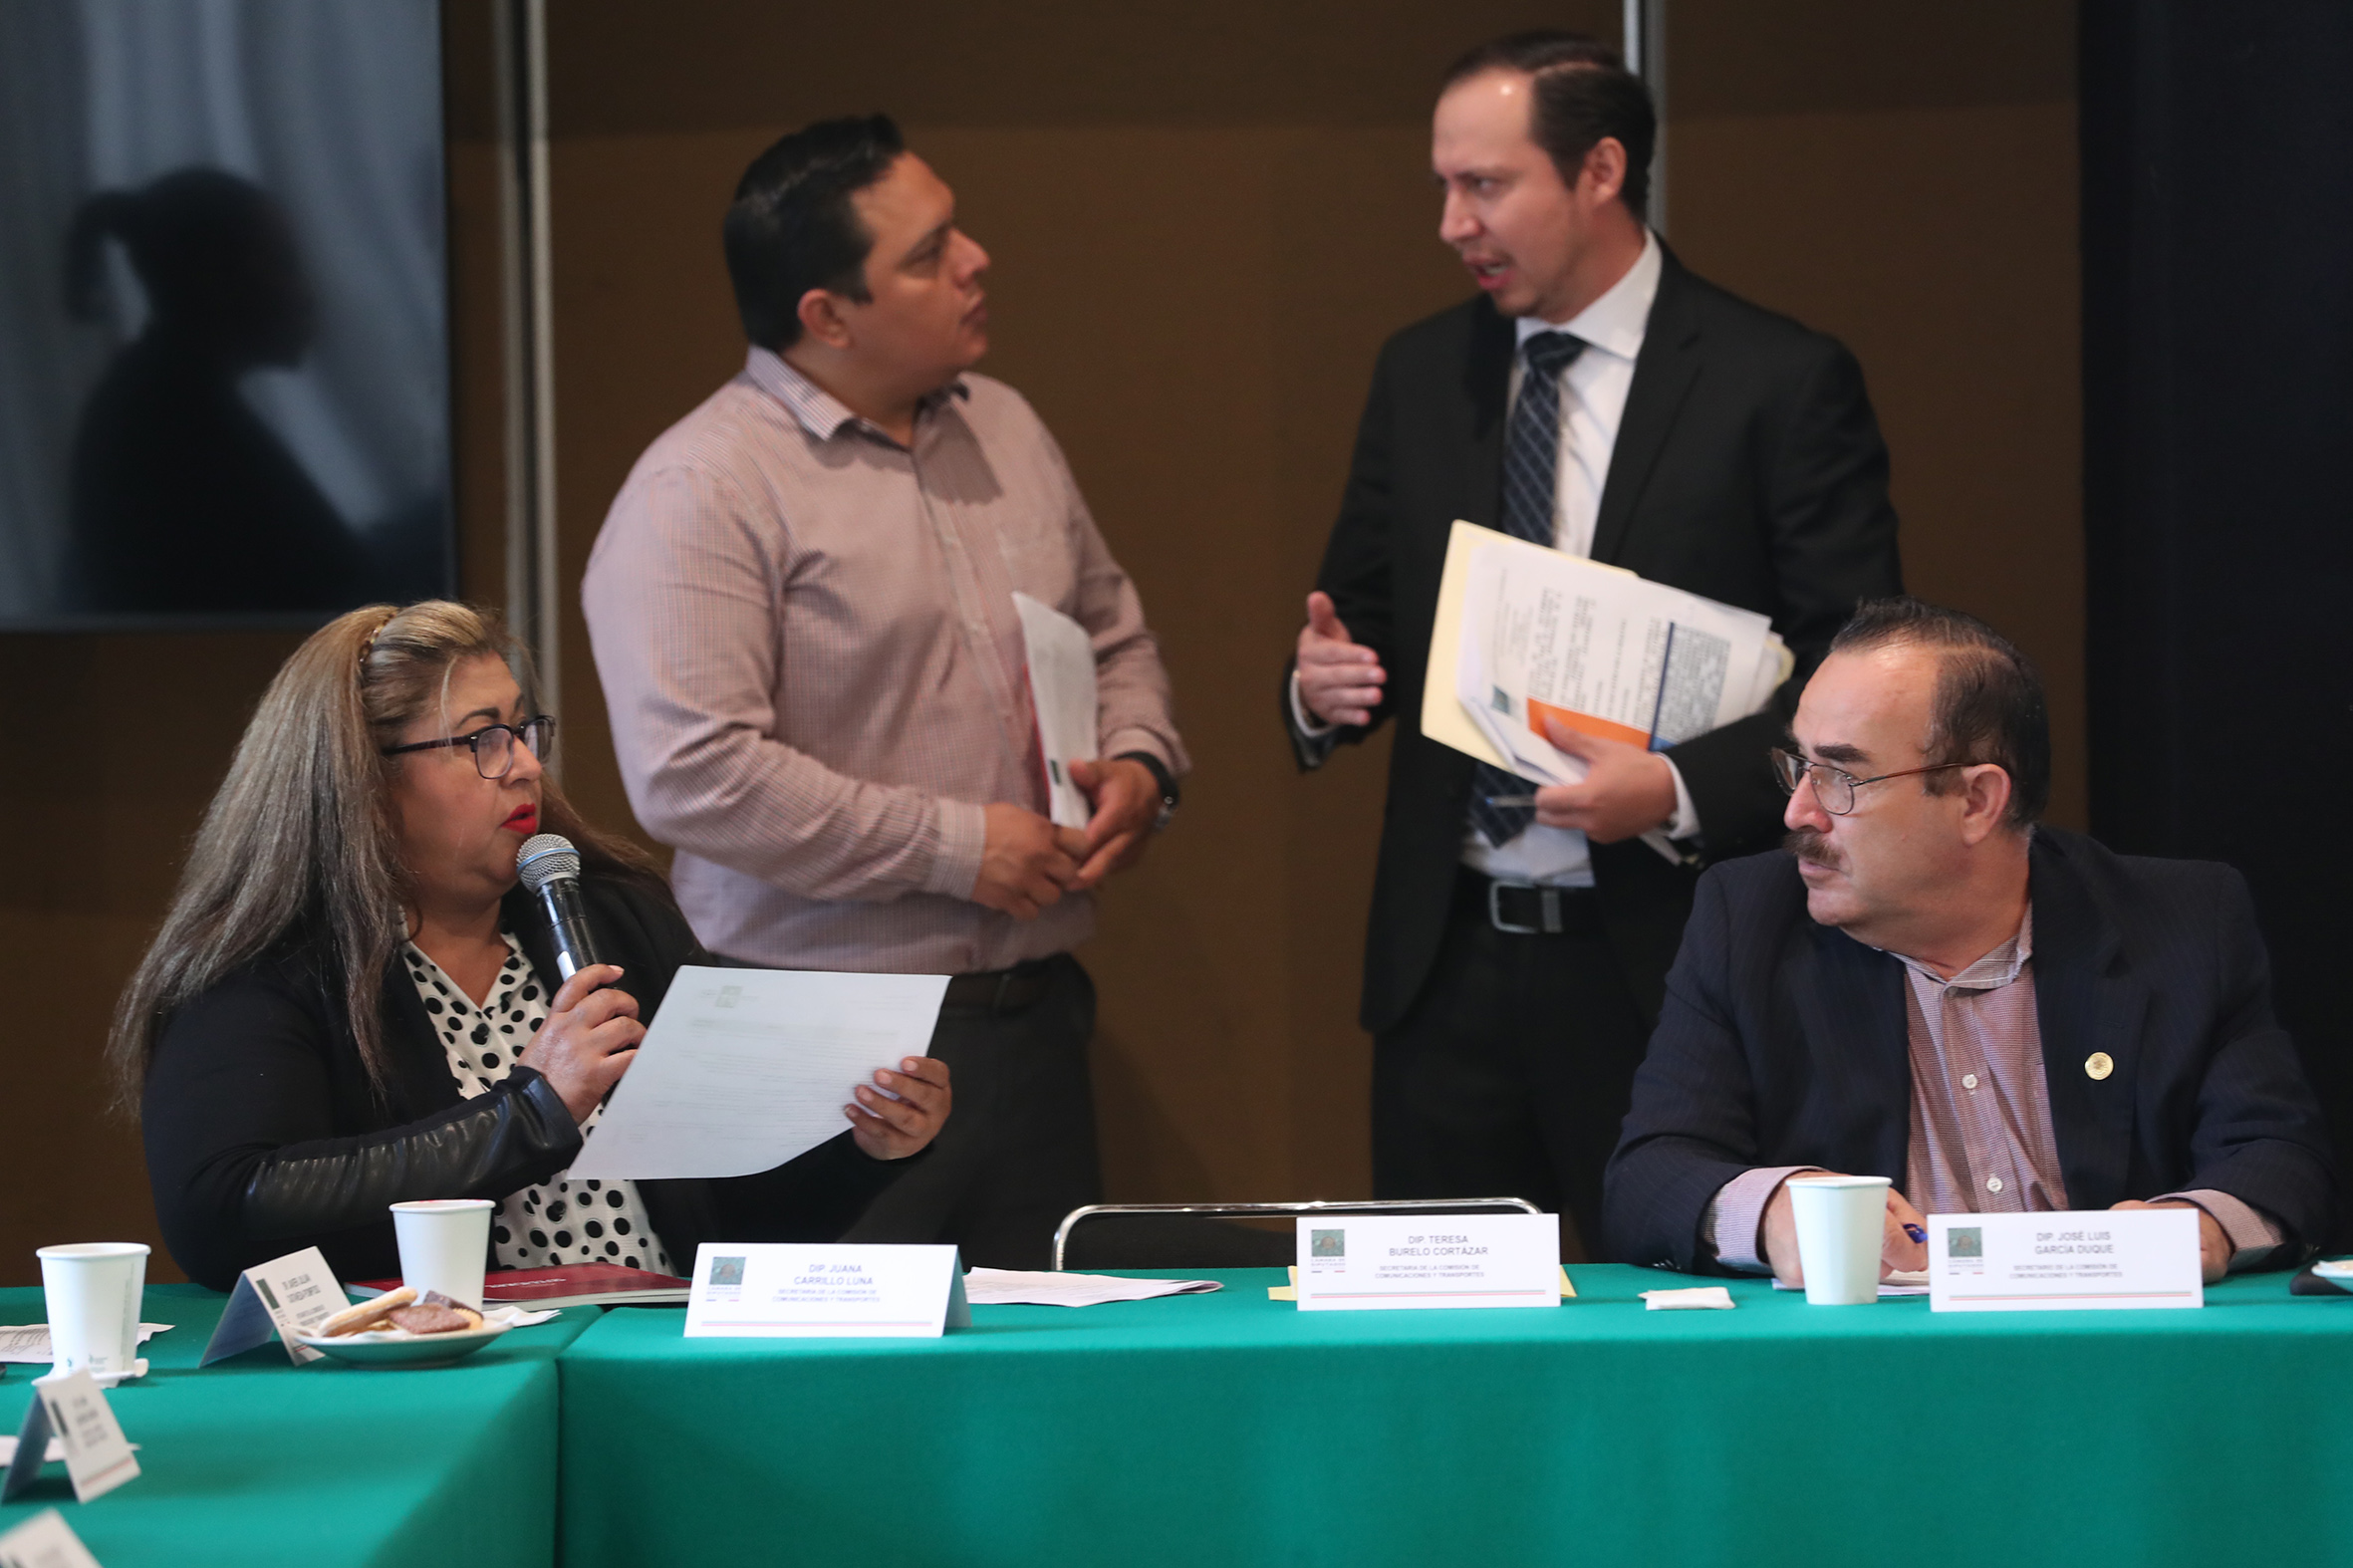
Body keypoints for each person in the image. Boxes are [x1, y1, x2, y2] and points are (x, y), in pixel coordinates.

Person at [1288, 31, 1901, 1252]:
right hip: (1448, 960)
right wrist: (1321, 684)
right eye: (1442, 186)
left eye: (1485, 184)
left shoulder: (1775, 379)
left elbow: (1861, 670)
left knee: (1674, 1303)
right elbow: (1361, 612)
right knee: (1443, 1325)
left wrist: (1675, 787)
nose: (1453, 224)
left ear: (1600, 171)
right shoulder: (1422, 371)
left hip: (1668, 958)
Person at [583, 116, 1186, 1269]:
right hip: (813, 1038)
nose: (976, 261)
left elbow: (1112, 630)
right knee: (829, 1373)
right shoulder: (701, 485)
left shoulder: (1005, 425)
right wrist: (960, 849)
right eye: (928, 253)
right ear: (827, 315)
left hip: (1030, 1016)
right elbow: (691, 772)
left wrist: (1142, 758)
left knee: (1048, 1359)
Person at [116, 602, 949, 1291]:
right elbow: (223, 1211)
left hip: (656, 1354)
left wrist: (864, 1149)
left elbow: (728, 1217)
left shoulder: (619, 920)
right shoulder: (274, 968)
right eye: (480, 739)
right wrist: (533, 1110)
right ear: (365, 784)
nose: (522, 767)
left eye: (522, 731)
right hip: (450, 1382)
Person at [1605, 598, 2335, 1283]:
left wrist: (2200, 1227)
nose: (1799, 811)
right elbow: (1648, 1175)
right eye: (1799, 766)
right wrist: (1772, 1213)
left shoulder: (2177, 920)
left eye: (1841, 776)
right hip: (1868, 1357)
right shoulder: (1749, 917)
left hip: (2116, 1349)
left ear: (1977, 801)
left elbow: (2278, 1157)